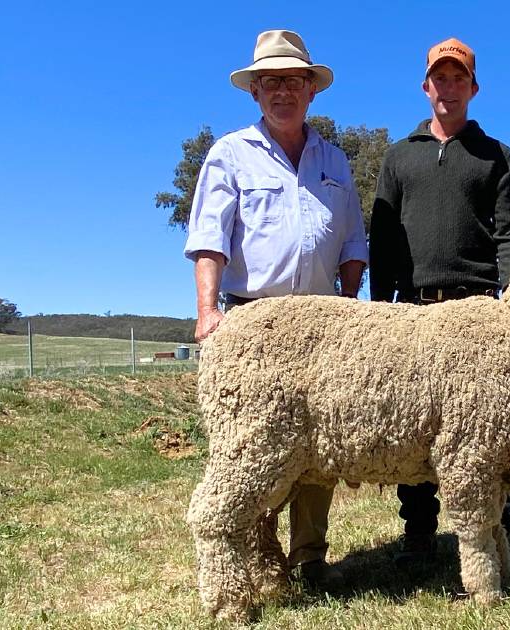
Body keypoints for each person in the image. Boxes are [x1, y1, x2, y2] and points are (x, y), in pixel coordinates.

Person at [183, 29, 367, 589]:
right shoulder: (230, 154)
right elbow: (209, 237)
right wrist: (208, 311)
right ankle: (256, 557)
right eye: (270, 82)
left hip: (322, 323)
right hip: (253, 322)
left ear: (311, 89)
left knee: (322, 440)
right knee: (256, 442)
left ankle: (310, 556)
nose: (282, 91)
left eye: (293, 80)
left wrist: (350, 303)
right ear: (255, 92)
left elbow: (354, 241)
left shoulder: (333, 159)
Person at [369, 37, 510, 567]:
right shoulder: (399, 156)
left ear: (473, 88)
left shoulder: (495, 155)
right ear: (426, 86)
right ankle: (418, 531)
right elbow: (384, 237)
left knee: (485, 427)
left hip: (478, 308)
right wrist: (381, 305)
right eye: (440, 77)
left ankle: (496, 528)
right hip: (412, 309)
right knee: (414, 423)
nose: (449, 87)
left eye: (459, 78)